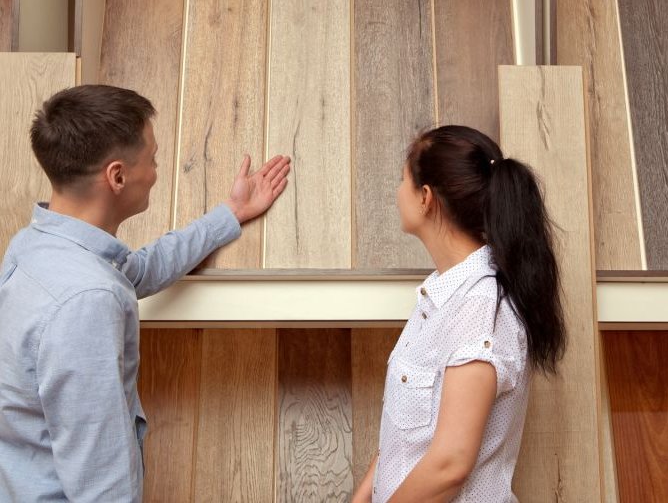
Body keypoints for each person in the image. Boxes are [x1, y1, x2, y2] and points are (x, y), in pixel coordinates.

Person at [0, 85, 291, 502]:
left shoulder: (36, 247)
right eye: (152, 160)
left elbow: (133, 270)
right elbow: (103, 486)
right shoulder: (87, 302)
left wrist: (230, 213)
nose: (155, 171)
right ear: (117, 176)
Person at [353, 125, 566, 503]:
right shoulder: (439, 299)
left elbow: (451, 464)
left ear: (425, 198)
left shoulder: (478, 308)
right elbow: (404, 437)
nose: (396, 192)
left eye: (402, 181)